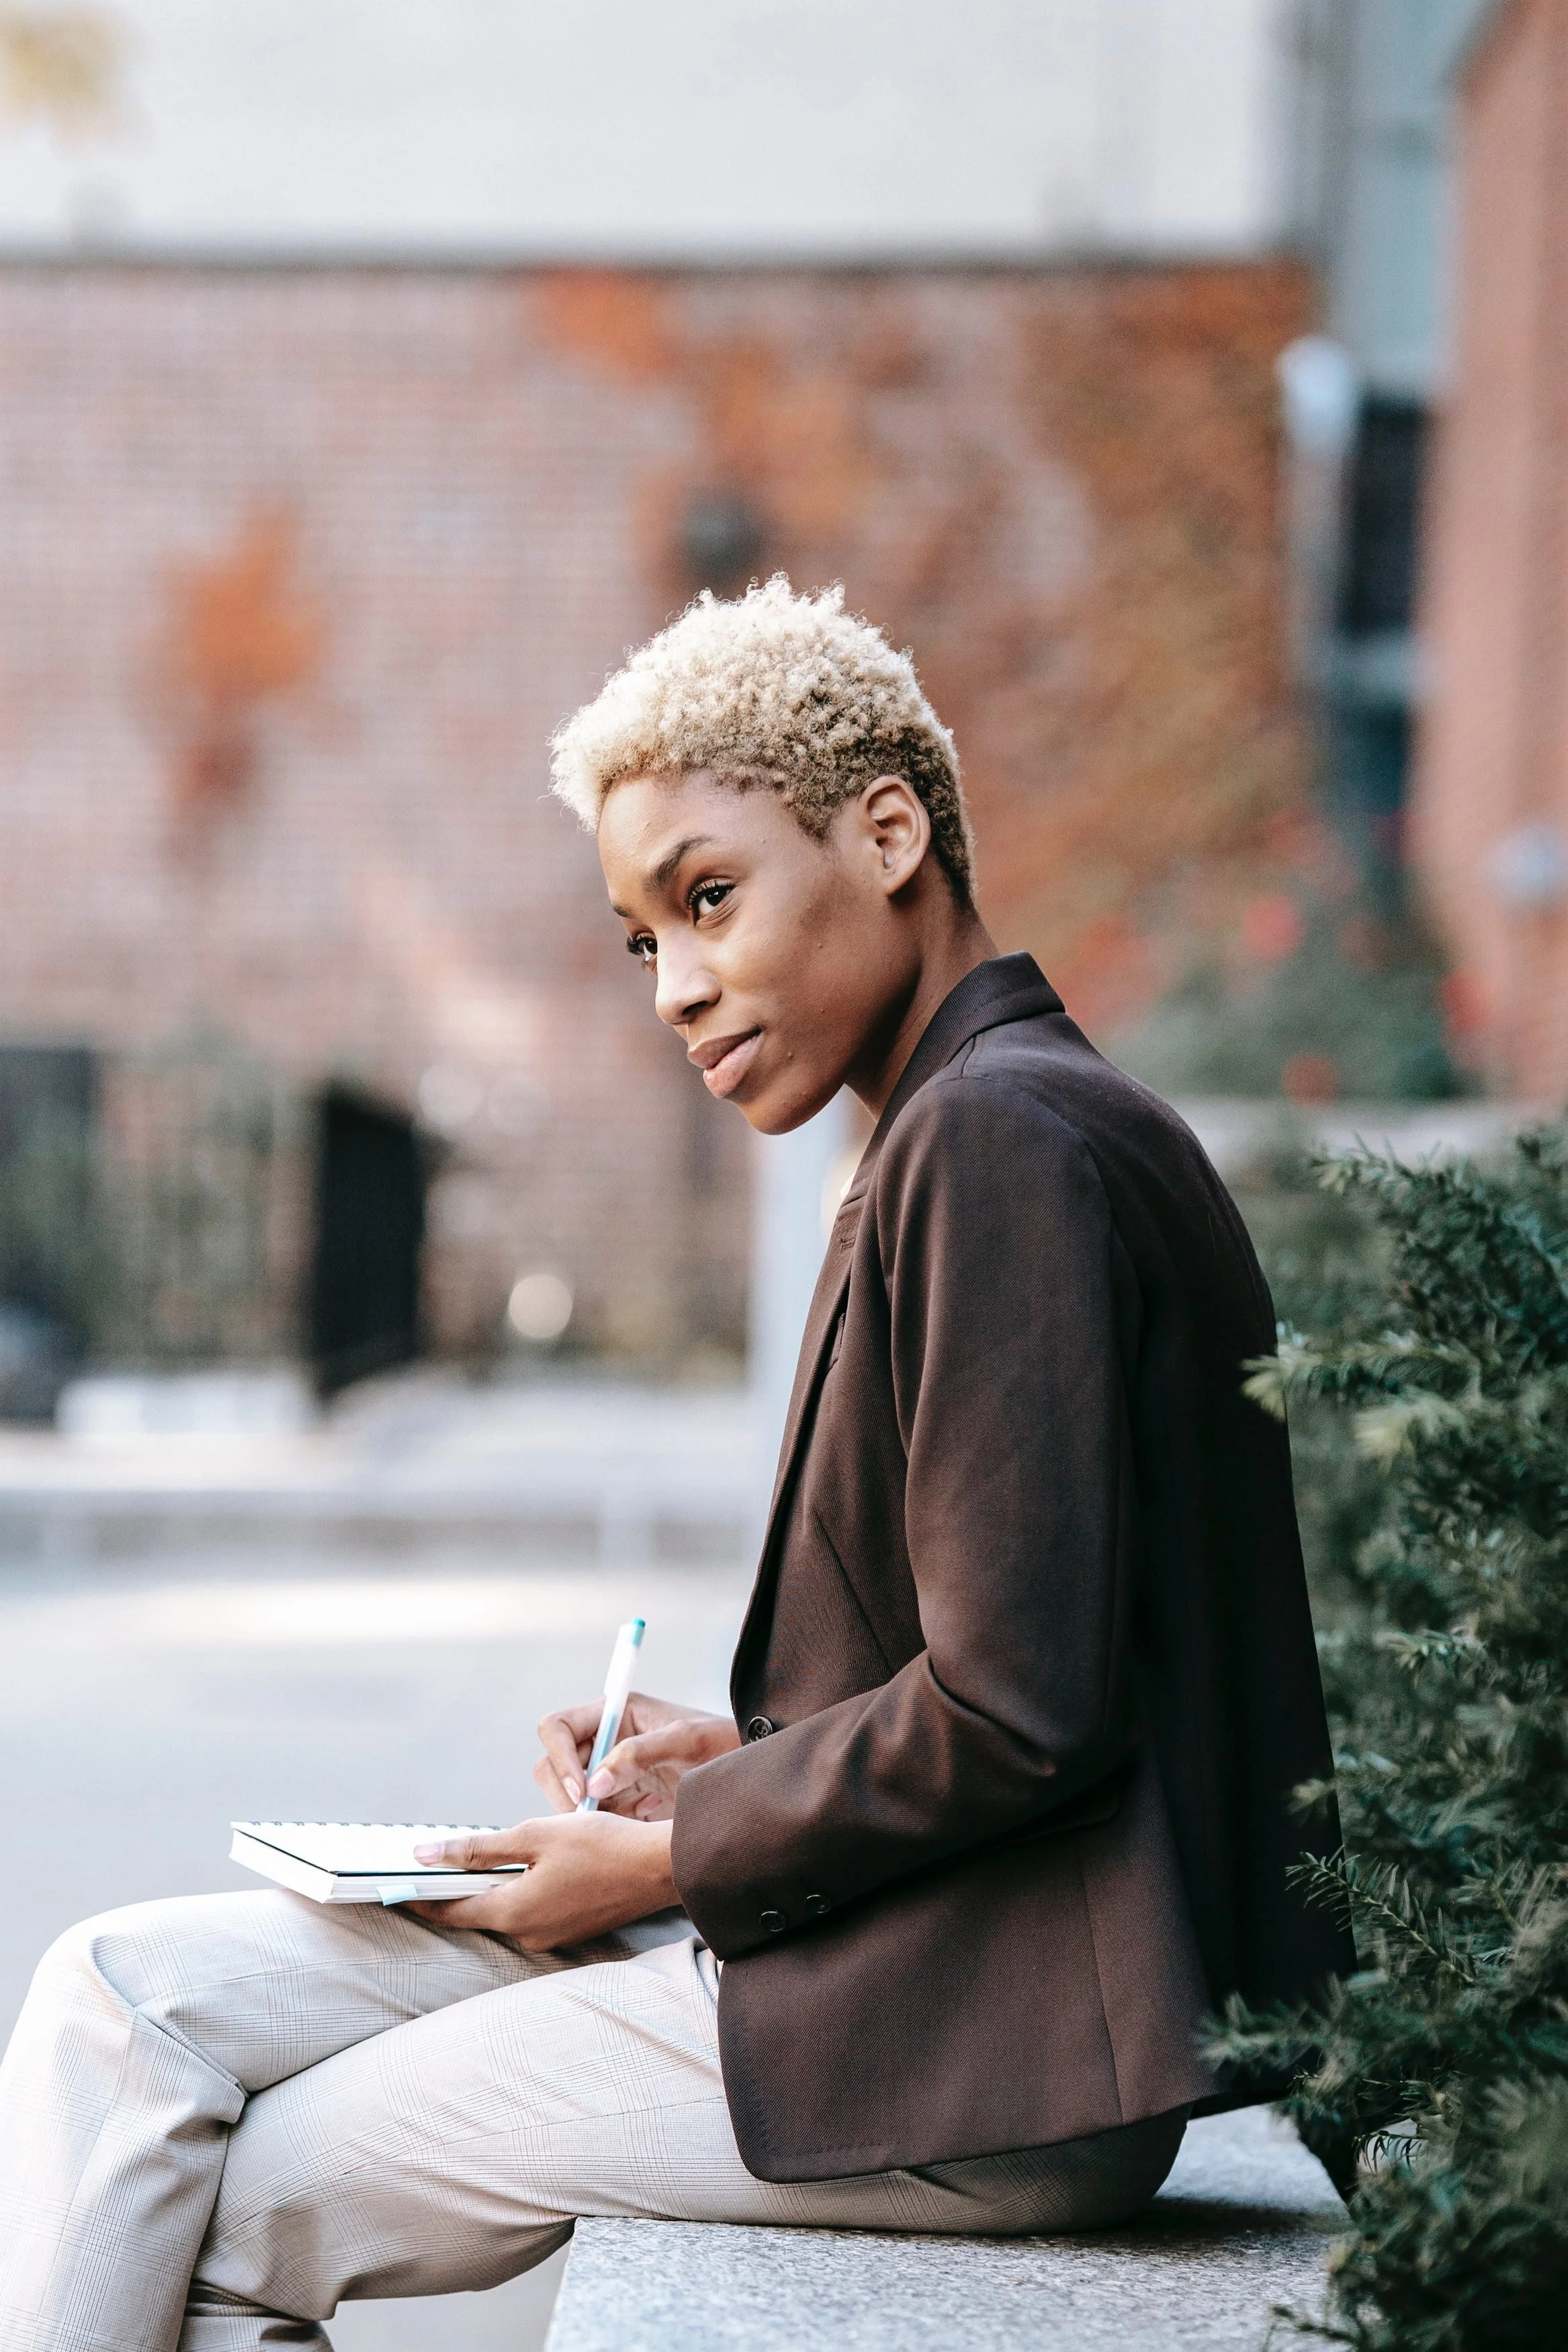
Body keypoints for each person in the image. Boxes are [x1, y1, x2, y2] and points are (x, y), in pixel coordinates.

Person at [0, 580, 1354, 2351]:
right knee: (116, 1994)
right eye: (643, 938)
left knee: (234, 2194)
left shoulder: (1003, 1142)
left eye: (707, 897)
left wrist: (653, 1864)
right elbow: (1032, 1640)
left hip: (977, 2050)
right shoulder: (971, 1122)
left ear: (887, 832)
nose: (677, 984)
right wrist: (719, 1763)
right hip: (913, 1969)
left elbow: (1026, 1705)